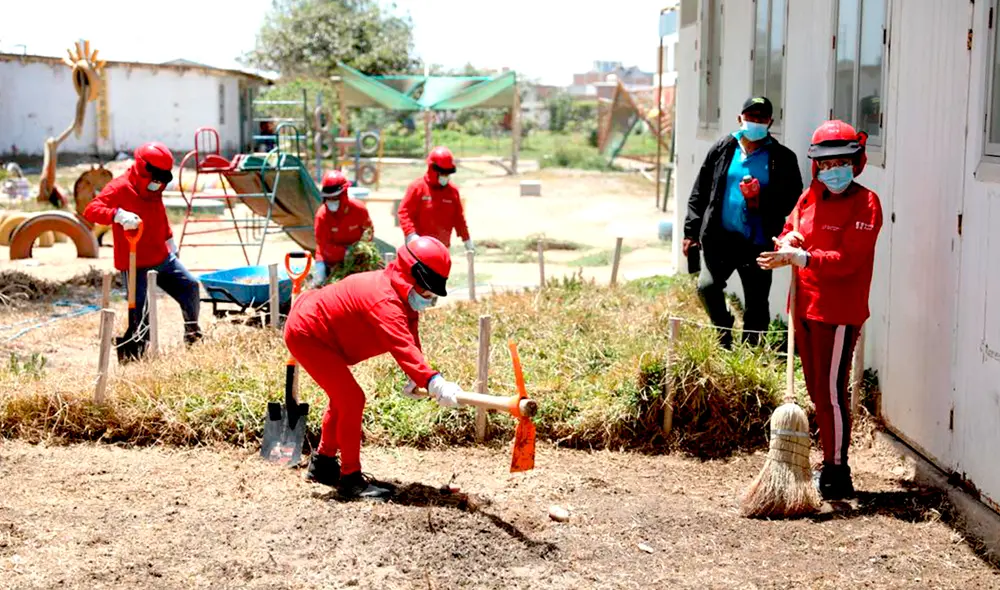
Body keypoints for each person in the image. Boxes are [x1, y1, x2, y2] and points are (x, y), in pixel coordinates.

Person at [284, 235, 467, 500]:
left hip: (320, 330)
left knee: (342, 398)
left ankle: (323, 464)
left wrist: (416, 376)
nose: (429, 298)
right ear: (413, 277)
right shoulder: (384, 301)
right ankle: (351, 480)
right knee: (351, 399)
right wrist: (433, 382)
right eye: (428, 291)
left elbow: (410, 338)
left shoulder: (400, 293)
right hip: (308, 332)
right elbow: (401, 344)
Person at [757, 120, 883, 500]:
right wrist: (788, 239)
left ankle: (836, 470)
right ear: (816, 166)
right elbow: (792, 227)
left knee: (830, 393)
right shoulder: (811, 195)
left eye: (840, 162)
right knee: (815, 389)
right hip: (805, 306)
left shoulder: (866, 203)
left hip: (837, 311)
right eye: (825, 164)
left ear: (856, 161)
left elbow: (847, 260)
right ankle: (827, 460)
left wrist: (805, 257)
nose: (833, 171)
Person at [683, 96, 803, 347]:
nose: (756, 122)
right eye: (751, 117)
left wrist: (760, 197)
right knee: (707, 287)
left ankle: (751, 353)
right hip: (720, 238)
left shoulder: (782, 157)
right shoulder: (723, 148)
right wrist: (691, 232)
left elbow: (793, 199)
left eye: (762, 118)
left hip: (759, 242)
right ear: (740, 119)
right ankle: (723, 331)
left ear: (770, 122)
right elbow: (700, 191)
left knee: (757, 303)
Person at [83, 142, 202, 362]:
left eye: (163, 179)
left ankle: (193, 334)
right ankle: (138, 354)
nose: (158, 185)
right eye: (155, 178)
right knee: (140, 314)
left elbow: (160, 214)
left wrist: (169, 241)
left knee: (190, 287)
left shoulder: (155, 189)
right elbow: (91, 210)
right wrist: (117, 215)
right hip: (134, 263)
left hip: (162, 258)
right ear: (142, 168)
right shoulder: (118, 188)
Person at [397, 146, 474, 253]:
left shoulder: (452, 192)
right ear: (432, 169)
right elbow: (404, 213)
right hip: (418, 248)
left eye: (448, 173)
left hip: (442, 249)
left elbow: (458, 218)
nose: (445, 176)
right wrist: (411, 235)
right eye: (442, 173)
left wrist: (466, 239)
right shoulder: (417, 188)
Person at [312, 170, 374, 287]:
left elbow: (368, 233)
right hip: (327, 260)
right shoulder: (322, 215)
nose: (331, 202)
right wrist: (346, 253)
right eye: (328, 198)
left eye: (335, 198)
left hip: (356, 258)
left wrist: (359, 252)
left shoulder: (359, 210)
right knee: (319, 282)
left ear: (344, 194)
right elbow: (324, 245)